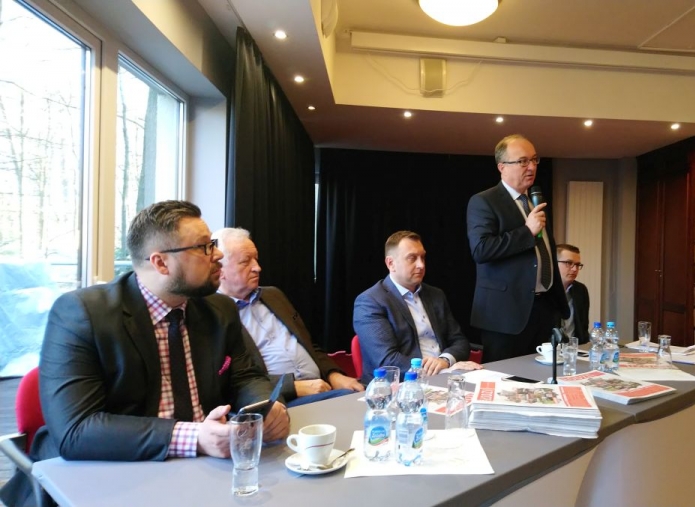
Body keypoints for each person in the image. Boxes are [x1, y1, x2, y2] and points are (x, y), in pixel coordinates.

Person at [0, 201, 289, 507]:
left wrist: (264, 411)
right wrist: (194, 437)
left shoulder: (219, 309)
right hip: (105, 475)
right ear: (161, 263)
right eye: (204, 247)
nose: (217, 255)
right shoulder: (81, 314)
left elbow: (247, 376)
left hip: (201, 473)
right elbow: (77, 430)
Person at [213, 227, 364, 406]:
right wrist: (291, 386)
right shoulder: (214, 315)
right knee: (359, 406)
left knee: (373, 394)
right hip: (278, 401)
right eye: (246, 262)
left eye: (256, 259)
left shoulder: (273, 295)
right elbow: (234, 382)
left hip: (322, 388)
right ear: (220, 270)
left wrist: (334, 374)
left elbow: (309, 346)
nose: (257, 268)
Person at [466, 134, 570, 362]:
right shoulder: (484, 201)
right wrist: (527, 231)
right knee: (504, 378)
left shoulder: (534, 201)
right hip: (505, 316)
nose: (531, 167)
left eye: (534, 160)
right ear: (502, 167)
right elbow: (481, 249)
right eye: (523, 161)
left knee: (543, 376)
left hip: (543, 309)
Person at [353, 230, 481, 383]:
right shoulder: (370, 301)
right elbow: (387, 361)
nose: (421, 265)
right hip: (399, 386)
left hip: (445, 378)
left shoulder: (435, 295)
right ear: (391, 263)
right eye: (412, 258)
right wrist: (443, 371)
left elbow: (459, 341)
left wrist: (445, 360)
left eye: (423, 257)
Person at [557, 244, 590, 343]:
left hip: (575, 348)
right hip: (549, 349)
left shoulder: (581, 290)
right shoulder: (543, 292)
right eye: (568, 263)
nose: (575, 269)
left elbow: (583, 328)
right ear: (554, 263)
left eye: (577, 265)